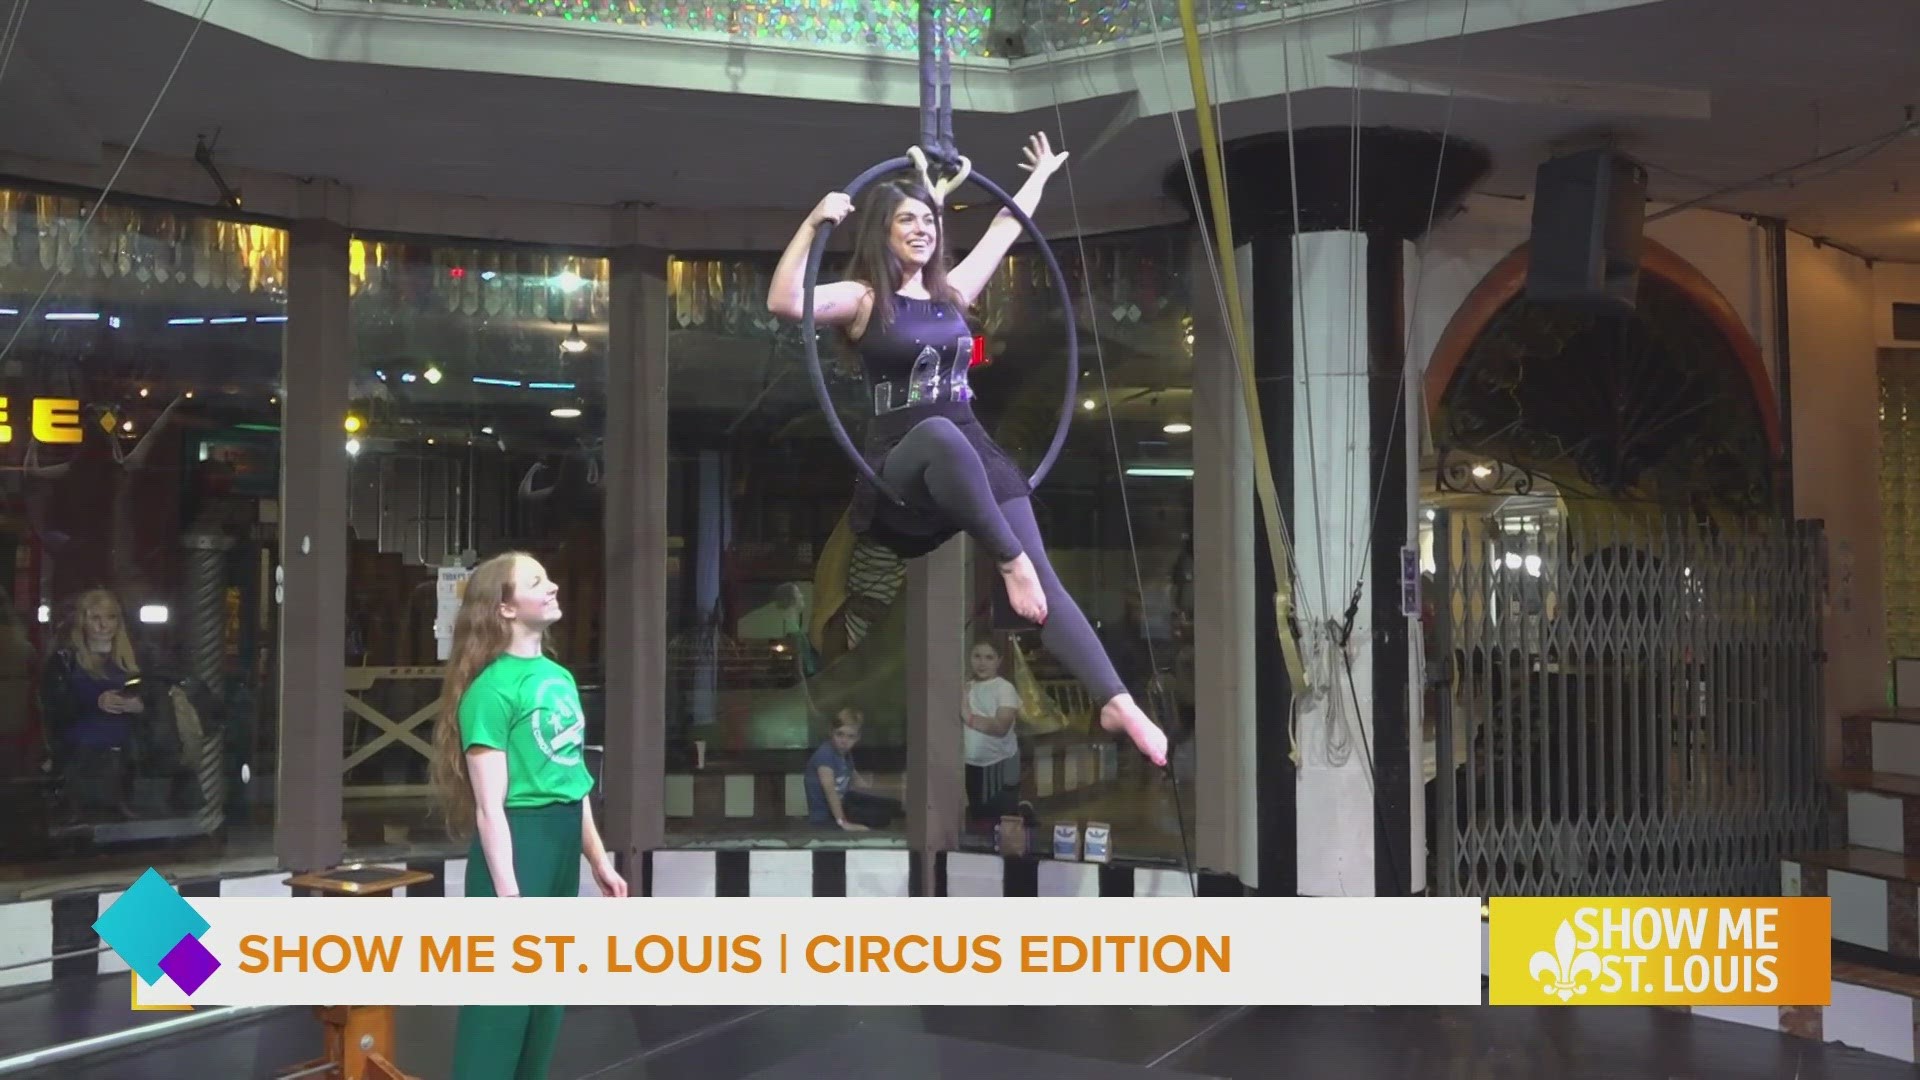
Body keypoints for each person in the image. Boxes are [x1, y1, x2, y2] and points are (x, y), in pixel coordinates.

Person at [767, 131, 1168, 769]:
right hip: (904, 463)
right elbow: (785, 302)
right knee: (948, 444)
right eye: (908, 220)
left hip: (968, 456)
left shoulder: (951, 293)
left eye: (929, 220)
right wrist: (816, 221)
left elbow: (1008, 230)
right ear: (883, 231)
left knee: (1043, 577)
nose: (922, 229)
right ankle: (1008, 563)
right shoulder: (865, 298)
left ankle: (1116, 698)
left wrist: (1037, 179)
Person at [430, 551, 627, 1080]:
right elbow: (490, 810)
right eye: (536, 582)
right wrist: (510, 897)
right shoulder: (491, 692)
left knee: (545, 1001)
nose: (553, 586)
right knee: (500, 1007)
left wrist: (599, 863)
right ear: (506, 609)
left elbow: (572, 782)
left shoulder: (558, 678)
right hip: (519, 847)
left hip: (560, 844)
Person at [803, 708, 901, 831]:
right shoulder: (825, 756)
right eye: (840, 734)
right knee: (876, 820)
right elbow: (830, 792)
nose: (844, 741)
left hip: (842, 808)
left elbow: (859, 782)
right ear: (831, 732)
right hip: (825, 819)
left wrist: (890, 792)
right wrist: (843, 823)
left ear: (857, 737)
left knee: (888, 809)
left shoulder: (845, 754)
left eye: (850, 736)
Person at [963, 637, 1024, 827]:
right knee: (977, 819)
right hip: (971, 765)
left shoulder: (1004, 688)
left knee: (1000, 822)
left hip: (998, 765)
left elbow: (1000, 728)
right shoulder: (966, 687)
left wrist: (968, 716)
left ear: (999, 660)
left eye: (989, 657)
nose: (982, 663)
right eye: (977, 656)